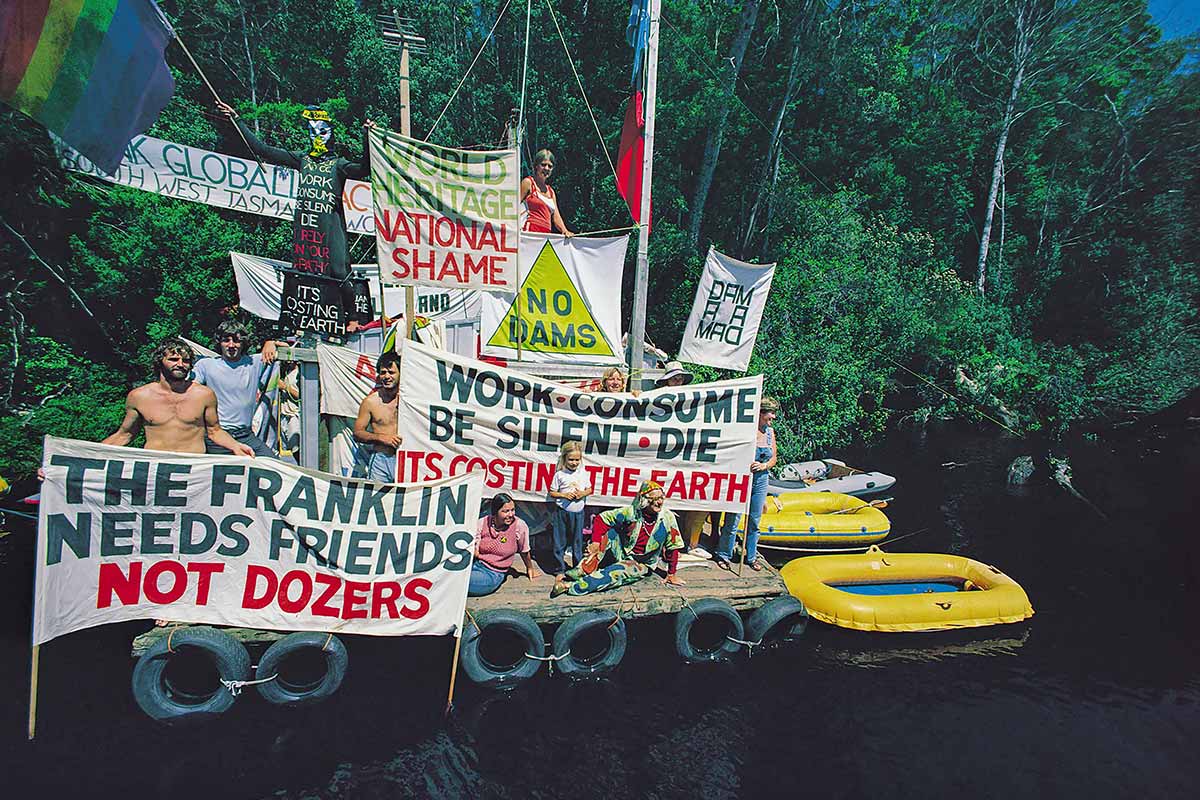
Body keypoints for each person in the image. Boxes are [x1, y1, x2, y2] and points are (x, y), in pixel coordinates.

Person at [215, 100, 376, 323]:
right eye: (312, 132)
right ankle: (302, 321)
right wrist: (236, 119)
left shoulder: (338, 165)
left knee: (340, 270)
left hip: (331, 229)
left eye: (322, 131)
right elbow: (262, 149)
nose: (317, 136)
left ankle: (353, 318)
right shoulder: (302, 159)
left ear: (331, 134)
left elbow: (364, 169)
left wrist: (367, 138)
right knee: (306, 275)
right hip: (307, 231)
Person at [102, 338, 255, 457]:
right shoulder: (139, 396)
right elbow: (125, 435)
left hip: (194, 468)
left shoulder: (204, 395)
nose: (181, 364)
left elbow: (215, 431)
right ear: (159, 362)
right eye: (174, 359)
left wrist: (236, 446)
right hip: (156, 466)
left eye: (186, 360)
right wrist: (88, 452)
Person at [552, 480, 685, 597]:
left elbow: (673, 546)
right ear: (644, 499)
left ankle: (571, 587)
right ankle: (582, 570)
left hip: (640, 562)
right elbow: (602, 519)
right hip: (622, 551)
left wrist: (671, 573)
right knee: (609, 533)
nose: (659, 502)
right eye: (654, 499)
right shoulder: (632, 512)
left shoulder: (667, 518)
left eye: (661, 498)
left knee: (612, 574)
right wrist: (596, 542)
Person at [191, 321, 280, 458]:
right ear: (219, 342)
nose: (231, 345)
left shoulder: (255, 362)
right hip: (217, 436)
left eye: (237, 341)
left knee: (273, 464)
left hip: (246, 435)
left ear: (243, 343)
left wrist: (271, 342)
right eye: (226, 340)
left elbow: (290, 347)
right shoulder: (205, 365)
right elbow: (187, 390)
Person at [716, 396, 780, 572]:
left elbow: (774, 457)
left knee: (754, 519)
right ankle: (724, 554)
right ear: (760, 413)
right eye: (770, 413)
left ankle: (751, 556)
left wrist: (765, 465)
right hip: (742, 477)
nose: (773, 417)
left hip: (761, 478)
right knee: (734, 518)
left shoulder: (769, 432)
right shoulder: (745, 430)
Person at [471, 493, 542, 596]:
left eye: (512, 510)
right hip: (475, 565)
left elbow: (524, 550)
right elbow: (475, 547)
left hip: (492, 573)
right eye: (505, 511)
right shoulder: (482, 522)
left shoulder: (519, 526)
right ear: (495, 512)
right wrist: (474, 549)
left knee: (457, 582)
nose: (511, 514)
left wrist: (530, 568)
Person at [353, 351, 402, 482]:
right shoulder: (370, 402)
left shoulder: (410, 401)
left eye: (391, 372)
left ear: (401, 374)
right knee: (376, 499)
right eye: (383, 372)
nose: (386, 376)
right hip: (381, 460)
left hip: (407, 460)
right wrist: (381, 438)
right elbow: (357, 433)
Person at [548, 441, 592, 576]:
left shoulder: (584, 474)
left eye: (577, 459)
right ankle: (559, 569)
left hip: (578, 514)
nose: (574, 462)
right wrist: (564, 495)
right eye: (571, 459)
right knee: (559, 542)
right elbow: (552, 492)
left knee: (577, 542)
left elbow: (590, 489)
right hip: (562, 513)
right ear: (564, 458)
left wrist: (582, 494)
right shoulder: (560, 475)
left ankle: (577, 568)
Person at [520, 149, 574, 236]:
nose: (546, 168)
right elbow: (513, 208)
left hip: (546, 235)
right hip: (529, 233)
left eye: (550, 166)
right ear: (536, 166)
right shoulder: (528, 183)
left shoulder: (551, 192)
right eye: (543, 165)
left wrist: (565, 231)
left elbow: (556, 217)